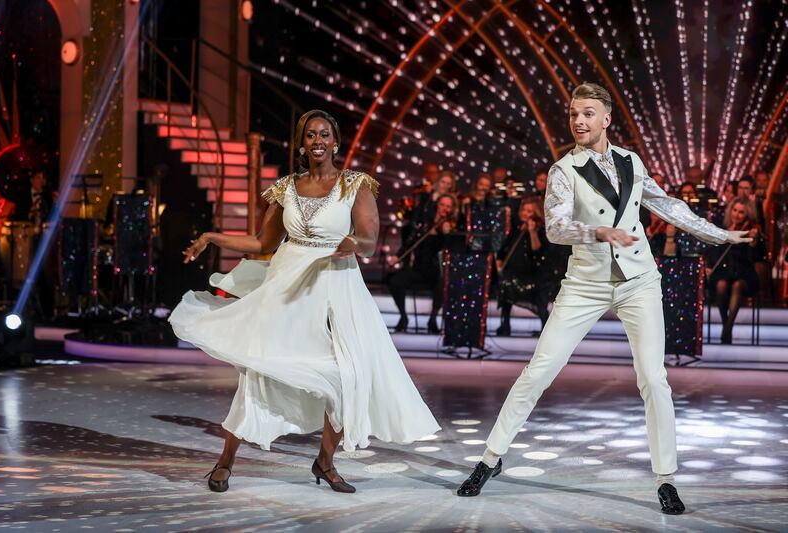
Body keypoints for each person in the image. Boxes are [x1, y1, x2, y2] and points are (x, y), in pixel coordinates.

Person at [456, 83, 751, 514]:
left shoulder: (631, 160)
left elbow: (667, 205)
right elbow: (555, 228)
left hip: (638, 279)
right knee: (539, 371)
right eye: (574, 113)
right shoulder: (564, 170)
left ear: (606, 118)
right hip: (586, 283)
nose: (579, 121)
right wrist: (595, 231)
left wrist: (720, 233)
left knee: (653, 378)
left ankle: (666, 478)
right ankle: (490, 458)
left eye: (588, 113)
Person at [170, 110, 440, 494]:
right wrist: (213, 236)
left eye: (324, 134)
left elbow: (369, 238)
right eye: (310, 135)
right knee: (260, 372)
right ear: (301, 144)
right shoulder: (285, 188)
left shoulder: (354, 185)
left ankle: (325, 462)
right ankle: (225, 460)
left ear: (335, 142)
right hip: (286, 287)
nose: (318, 141)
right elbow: (262, 245)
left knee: (349, 376)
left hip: (336, 288)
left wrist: (353, 245)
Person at [388, 194, 457, 333]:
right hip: (419, 269)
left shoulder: (451, 226)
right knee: (395, 281)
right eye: (443, 205)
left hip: (437, 270)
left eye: (448, 206)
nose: (445, 208)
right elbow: (410, 242)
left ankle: (433, 318)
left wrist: (446, 234)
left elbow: (450, 249)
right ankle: (403, 317)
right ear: (437, 205)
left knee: (443, 281)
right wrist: (397, 256)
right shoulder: (425, 223)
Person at [495, 197, 559, 336]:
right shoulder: (516, 228)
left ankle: (545, 329)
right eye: (524, 210)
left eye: (529, 211)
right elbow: (505, 247)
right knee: (506, 286)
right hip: (515, 273)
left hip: (535, 275)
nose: (525, 213)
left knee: (539, 297)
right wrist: (499, 260)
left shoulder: (542, 229)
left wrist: (532, 232)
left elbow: (538, 251)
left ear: (536, 213)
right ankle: (505, 325)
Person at [705, 197, 766, 344]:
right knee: (721, 285)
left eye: (741, 212)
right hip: (722, 272)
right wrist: (708, 266)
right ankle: (726, 322)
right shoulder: (721, 228)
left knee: (737, 286)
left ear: (747, 215)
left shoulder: (750, 231)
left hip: (744, 274)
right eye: (735, 210)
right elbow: (712, 251)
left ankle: (728, 328)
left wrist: (754, 242)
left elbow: (757, 256)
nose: (737, 215)